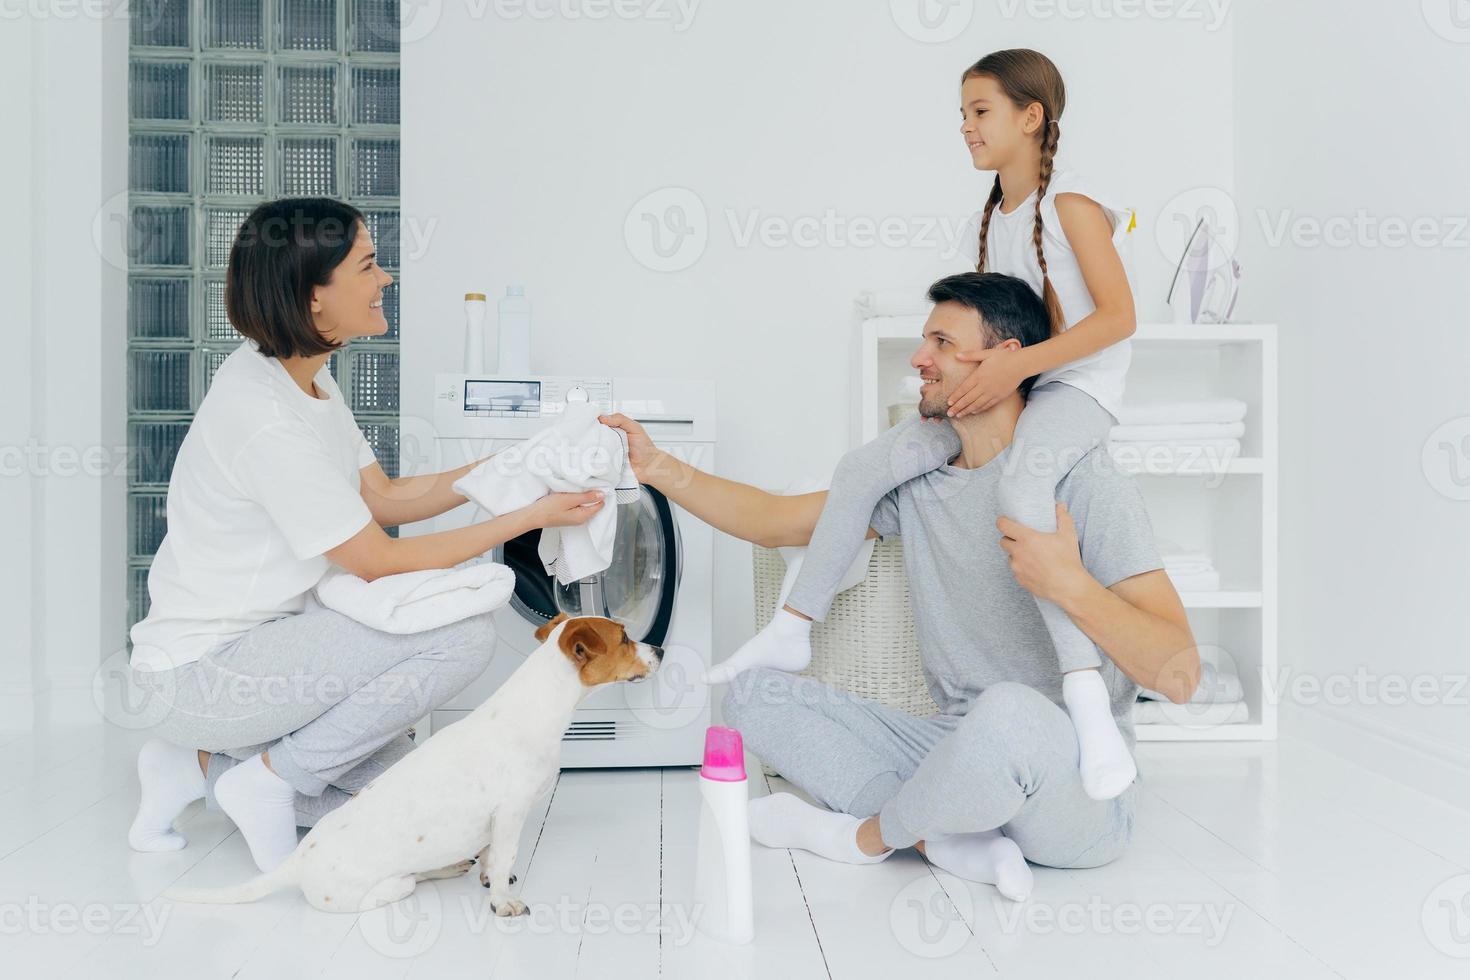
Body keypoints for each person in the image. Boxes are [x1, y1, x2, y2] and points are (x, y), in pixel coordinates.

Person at [600, 272, 1198, 901]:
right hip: (954, 743)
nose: (920, 360)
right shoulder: (918, 483)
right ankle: (951, 833)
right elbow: (773, 522)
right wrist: (654, 466)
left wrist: (1070, 585)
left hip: (1071, 788)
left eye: (941, 342)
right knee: (751, 696)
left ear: (1005, 358)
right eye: (923, 341)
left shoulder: (1088, 484)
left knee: (1012, 712)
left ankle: (866, 837)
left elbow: (1182, 675)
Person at [704, 48, 1141, 801]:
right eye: (963, 115)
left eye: (981, 112)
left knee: (1023, 491)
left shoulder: (1069, 206)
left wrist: (1017, 366)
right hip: (1021, 383)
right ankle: (795, 623)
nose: (967, 129)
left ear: (1030, 117)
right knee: (866, 468)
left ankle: (1087, 700)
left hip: (1074, 392)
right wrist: (1001, 372)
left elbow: (1121, 318)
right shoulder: (995, 218)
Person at [125, 197, 604, 872]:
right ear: (313, 297)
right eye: (368, 265)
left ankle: (195, 768)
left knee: (421, 806)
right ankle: (266, 778)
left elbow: (382, 498)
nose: (386, 280)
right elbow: (377, 560)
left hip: (263, 657)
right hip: (205, 674)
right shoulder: (263, 417)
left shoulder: (305, 382)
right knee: (464, 635)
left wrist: (514, 466)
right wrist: (530, 517)